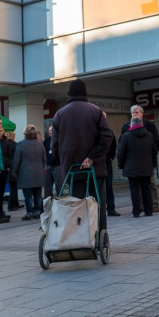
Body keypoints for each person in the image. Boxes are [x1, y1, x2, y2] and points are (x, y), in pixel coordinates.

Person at [51, 79, 113, 233]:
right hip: (95, 169)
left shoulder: (59, 114)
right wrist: (93, 157)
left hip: (72, 170)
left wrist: (63, 162)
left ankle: (81, 237)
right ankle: (100, 236)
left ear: (69, 94)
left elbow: (55, 145)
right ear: (85, 93)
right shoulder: (96, 111)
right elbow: (107, 136)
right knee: (97, 204)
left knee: (77, 206)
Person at [120, 105, 159, 213]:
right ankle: (139, 206)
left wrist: (151, 155)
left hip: (146, 161)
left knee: (150, 184)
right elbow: (122, 144)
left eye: (137, 112)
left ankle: (154, 205)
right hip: (132, 161)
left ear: (142, 114)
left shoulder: (149, 125)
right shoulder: (126, 126)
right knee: (136, 186)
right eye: (133, 113)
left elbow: (156, 142)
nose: (135, 114)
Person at [11, 125, 46, 220]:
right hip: (38, 173)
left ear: (25, 134)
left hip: (25, 174)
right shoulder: (40, 144)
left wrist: (14, 172)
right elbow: (44, 160)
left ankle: (29, 213)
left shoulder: (20, 144)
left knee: (28, 196)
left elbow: (16, 160)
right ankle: (37, 212)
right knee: (38, 194)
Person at [1, 130, 20, 212]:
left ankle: (15, 203)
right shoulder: (14, 145)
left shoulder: (4, 145)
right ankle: (11, 205)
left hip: (8, 168)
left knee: (13, 186)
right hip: (13, 167)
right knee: (13, 187)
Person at [104, 130, 120, 217]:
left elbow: (113, 146)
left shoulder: (108, 131)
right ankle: (110, 209)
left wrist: (111, 157)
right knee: (108, 187)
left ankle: (110, 209)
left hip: (105, 162)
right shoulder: (108, 131)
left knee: (108, 187)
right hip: (102, 162)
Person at [43, 124, 60, 199]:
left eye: (51, 130)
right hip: (48, 165)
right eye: (49, 130)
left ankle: (60, 201)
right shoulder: (46, 140)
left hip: (58, 165)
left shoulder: (59, 139)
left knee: (59, 185)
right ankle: (48, 202)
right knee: (47, 185)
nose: (50, 131)